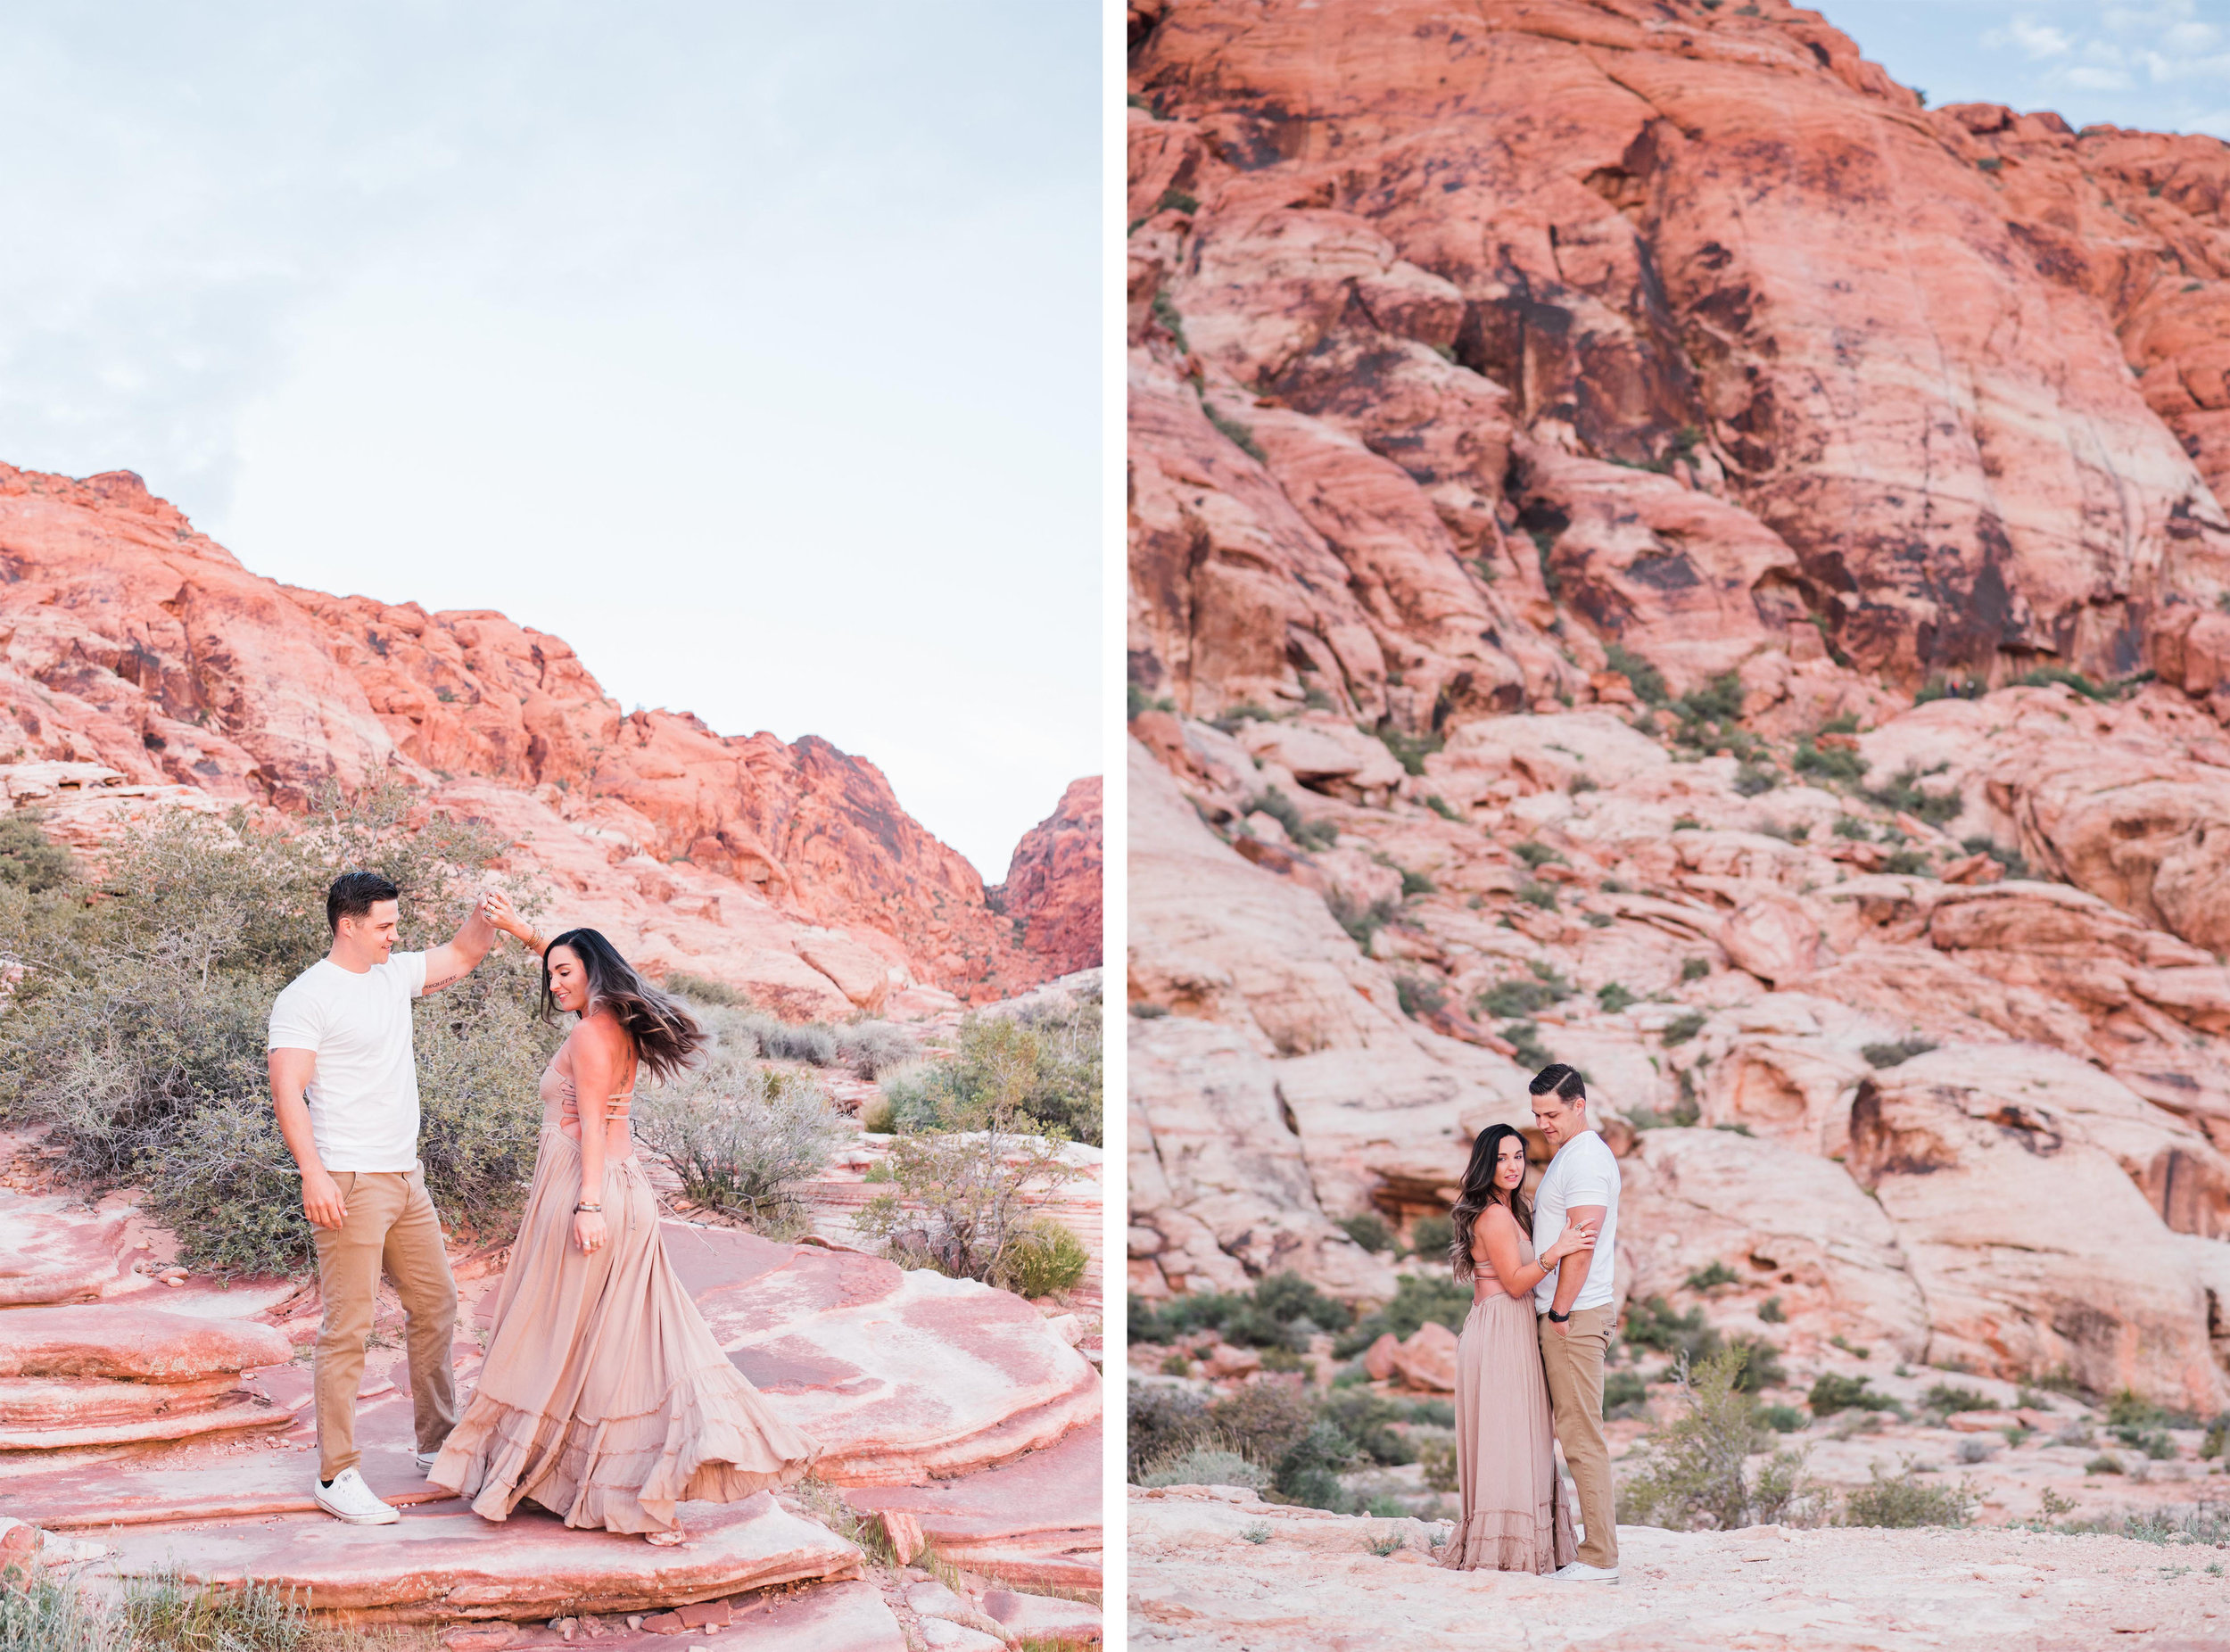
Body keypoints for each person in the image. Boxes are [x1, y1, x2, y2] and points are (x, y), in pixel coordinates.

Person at [430, 915, 819, 1541]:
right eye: (549, 973)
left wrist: (586, 1207)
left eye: (564, 974)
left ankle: (576, 1476)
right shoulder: (617, 1021)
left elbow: (587, 1122)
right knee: (608, 1342)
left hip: (592, 1188)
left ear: (591, 973)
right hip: (625, 1188)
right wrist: (527, 933)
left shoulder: (590, 1035)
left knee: (555, 1334)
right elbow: (579, 966)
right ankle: (588, 1475)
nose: (554, 984)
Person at [268, 871, 516, 1527]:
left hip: (406, 1179)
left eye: (395, 924)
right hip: (347, 1180)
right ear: (347, 924)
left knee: (436, 1302)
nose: (394, 935)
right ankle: (335, 1473)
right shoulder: (306, 997)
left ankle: (436, 1445)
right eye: (384, 925)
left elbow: (463, 954)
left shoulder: (390, 973)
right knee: (347, 1329)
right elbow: (288, 1089)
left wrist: (486, 914)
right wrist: (312, 1174)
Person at [1440, 1121, 1595, 1574]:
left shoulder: (1511, 1210)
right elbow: (1513, 1282)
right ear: (1486, 1163)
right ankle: (1501, 1552)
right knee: (1507, 1437)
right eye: (1503, 1157)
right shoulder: (1491, 1214)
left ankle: (1527, 1547)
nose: (1512, 1166)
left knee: (1523, 1435)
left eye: (1519, 1157)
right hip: (1499, 1331)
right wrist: (1559, 1250)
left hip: (1513, 1329)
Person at [1529, 1061, 1623, 1582]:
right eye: (1537, 1114)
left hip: (1576, 1314)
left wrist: (1560, 1310)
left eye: (1551, 1113)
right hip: (1570, 1310)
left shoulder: (1585, 1160)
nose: (1543, 1123)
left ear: (1578, 1106)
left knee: (1582, 1435)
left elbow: (1581, 1245)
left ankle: (1600, 1557)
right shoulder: (1572, 1155)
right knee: (1576, 1431)